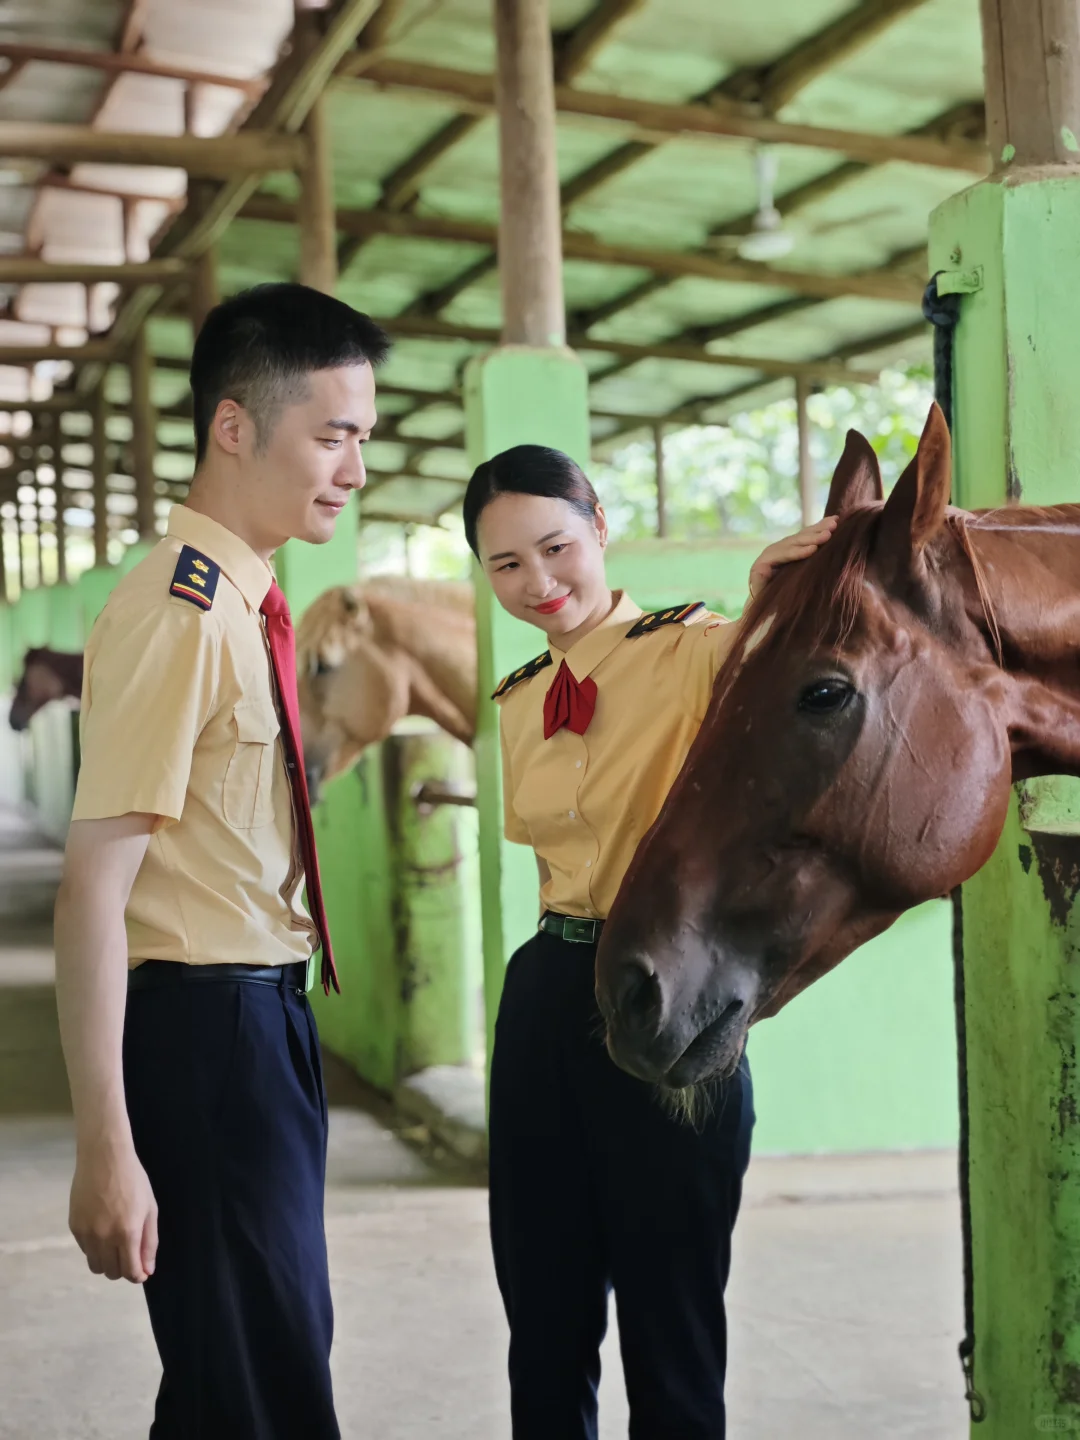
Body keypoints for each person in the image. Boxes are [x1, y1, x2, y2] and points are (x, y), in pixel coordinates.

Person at [53, 282, 389, 1439]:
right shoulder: (180, 613)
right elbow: (94, 887)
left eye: (365, 439)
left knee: (240, 1373)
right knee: (262, 1386)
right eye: (332, 435)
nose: (353, 467)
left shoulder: (250, 606)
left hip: (265, 1028)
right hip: (207, 1036)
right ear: (234, 426)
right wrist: (107, 1144)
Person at [465, 445, 836, 1440]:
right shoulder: (514, 706)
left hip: (669, 989)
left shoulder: (692, 652)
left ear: (599, 529)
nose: (537, 582)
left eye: (555, 547)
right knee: (542, 1315)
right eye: (505, 565)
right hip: (547, 991)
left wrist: (773, 592)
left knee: (671, 1324)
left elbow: (794, 664)